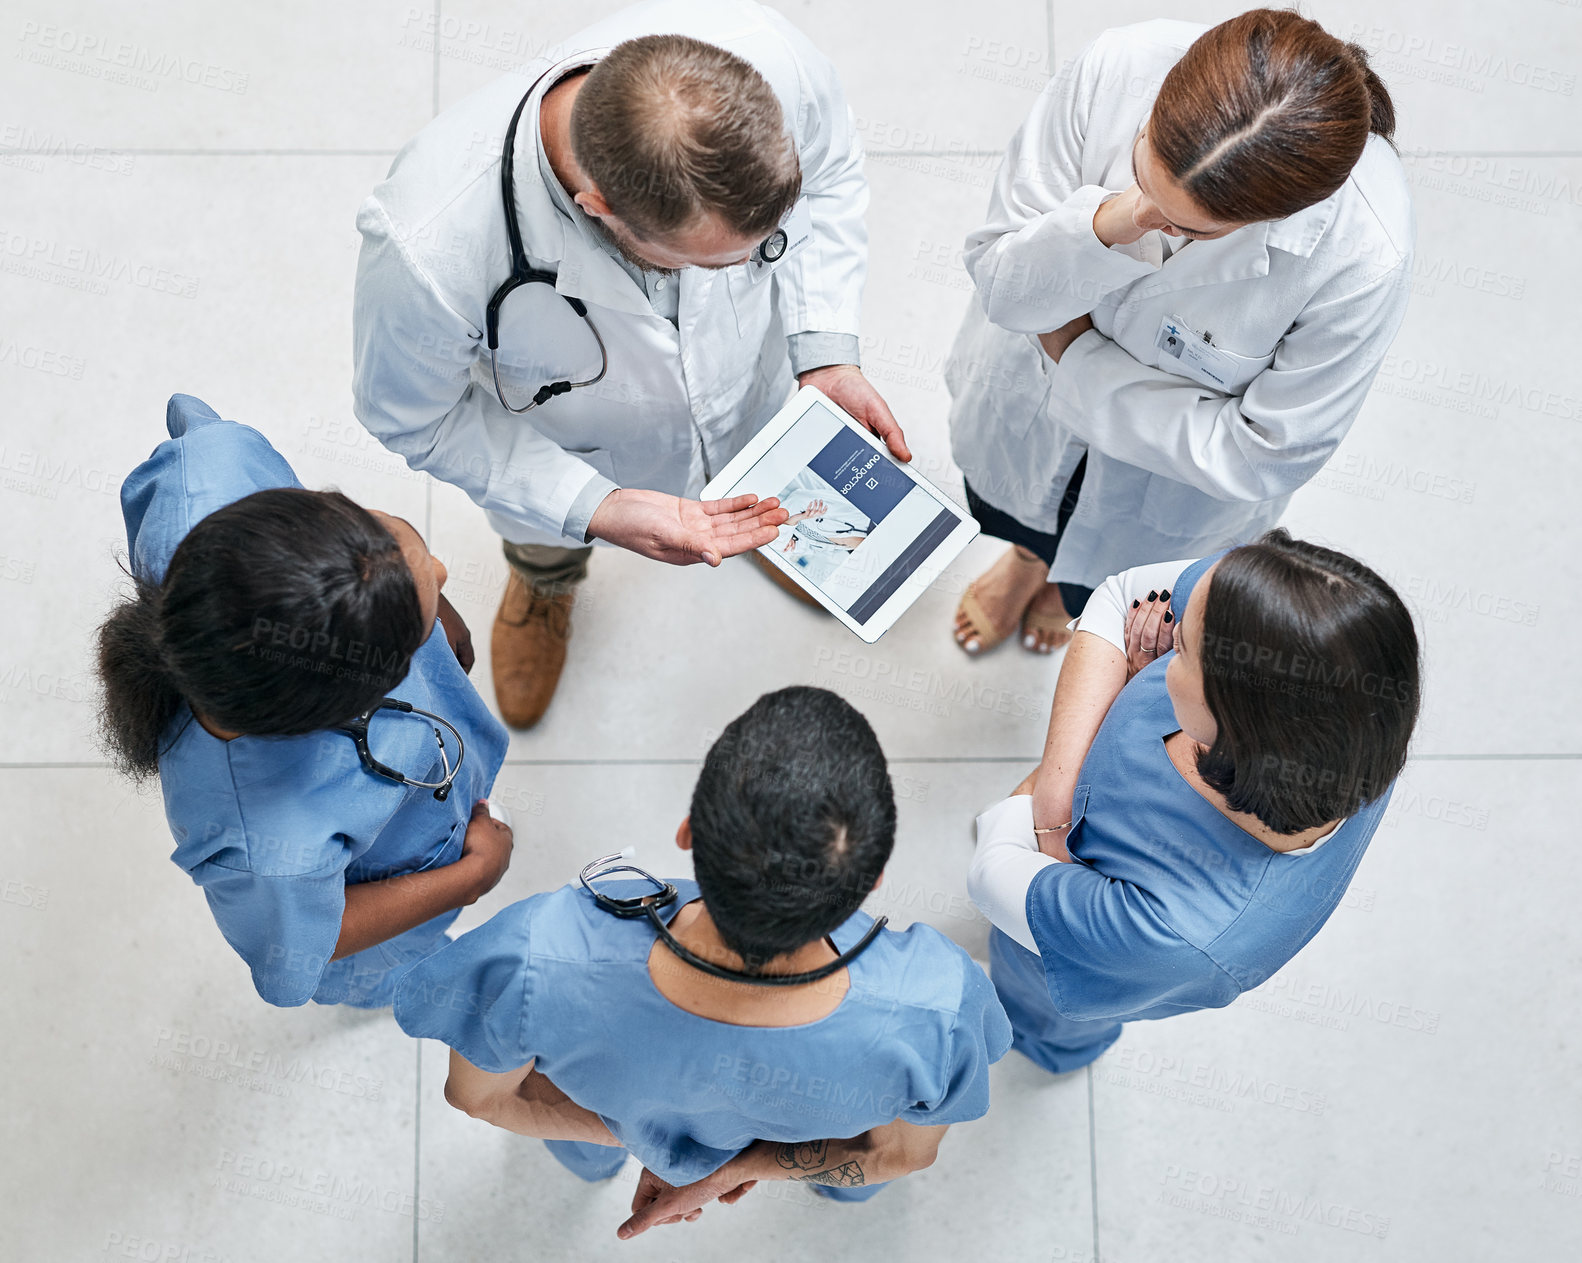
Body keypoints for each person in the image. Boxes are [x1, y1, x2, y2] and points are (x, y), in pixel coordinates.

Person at [353, 0, 908, 730]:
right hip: (570, 448)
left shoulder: (766, 54)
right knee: (544, 537)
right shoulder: (429, 247)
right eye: (718, 261)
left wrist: (824, 347)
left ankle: (769, 529)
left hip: (755, 388)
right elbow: (413, 419)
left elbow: (832, 173)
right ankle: (544, 585)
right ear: (601, 207)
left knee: (761, 453)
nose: (756, 264)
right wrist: (598, 507)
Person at [393, 687, 1010, 1237]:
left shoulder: (533, 955)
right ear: (872, 878)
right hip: (817, 1137)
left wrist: (655, 1147)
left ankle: (594, 1166)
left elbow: (480, 1099)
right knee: (846, 1167)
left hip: (603, 1111)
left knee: (573, 1130)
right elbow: (900, 1155)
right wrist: (730, 1170)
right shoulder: (938, 1010)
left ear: (687, 832)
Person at [946, 11, 1412, 658]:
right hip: (1030, 412)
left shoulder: (1362, 254)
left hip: (1161, 490)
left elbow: (1264, 451)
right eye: (1143, 168)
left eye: (1189, 228)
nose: (1153, 216)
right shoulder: (1120, 66)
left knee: (1095, 586)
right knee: (1016, 512)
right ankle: (1027, 562)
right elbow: (1003, 279)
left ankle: (1058, 590)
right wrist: (1113, 221)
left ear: (1271, 217)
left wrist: (1076, 355)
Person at [95, 395, 513, 1008]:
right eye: (407, 644)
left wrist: (424, 604)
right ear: (338, 715)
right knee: (397, 967)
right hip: (397, 889)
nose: (442, 569)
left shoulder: (213, 474)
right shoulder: (266, 844)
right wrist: (468, 880)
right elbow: (311, 943)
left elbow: (385, 556)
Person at [967, 530, 1420, 1073]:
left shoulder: (1171, 935)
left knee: (1038, 1006)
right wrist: (1057, 804)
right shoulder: (1350, 706)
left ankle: (1049, 1048)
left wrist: (1046, 800)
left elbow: (991, 875)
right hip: (1066, 880)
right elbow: (1122, 592)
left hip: (1072, 958)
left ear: (1235, 724)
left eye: (1180, 649)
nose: (1170, 627)